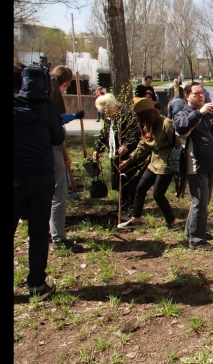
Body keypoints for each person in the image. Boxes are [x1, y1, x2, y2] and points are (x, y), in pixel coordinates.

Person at [14, 61, 66, 301]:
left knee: (36, 232)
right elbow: (57, 137)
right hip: (42, 178)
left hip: (18, 178)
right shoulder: (46, 109)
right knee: (38, 233)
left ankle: (37, 285)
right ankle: (36, 284)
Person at [173, 82, 213, 250]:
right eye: (196, 93)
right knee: (199, 203)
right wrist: (199, 113)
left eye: (202, 93)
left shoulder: (207, 113)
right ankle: (196, 240)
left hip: (210, 164)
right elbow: (181, 128)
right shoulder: (183, 113)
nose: (200, 96)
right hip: (196, 164)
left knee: (202, 202)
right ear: (187, 96)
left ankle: (192, 231)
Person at [117, 97, 180, 231]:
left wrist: (177, 165)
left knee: (158, 194)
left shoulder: (166, 124)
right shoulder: (147, 126)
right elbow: (143, 146)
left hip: (166, 164)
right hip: (153, 162)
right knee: (140, 188)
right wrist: (128, 161)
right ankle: (135, 219)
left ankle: (172, 223)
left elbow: (177, 144)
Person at [48, 65, 85, 252]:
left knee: (48, 193)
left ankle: (48, 231)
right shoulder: (51, 96)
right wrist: (73, 116)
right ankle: (58, 239)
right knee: (59, 195)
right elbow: (57, 120)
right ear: (64, 83)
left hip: (44, 149)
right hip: (52, 149)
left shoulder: (44, 93)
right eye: (66, 85)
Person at [94, 93, 148, 217]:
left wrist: (126, 145)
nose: (106, 115)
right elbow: (103, 135)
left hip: (130, 156)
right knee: (120, 182)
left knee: (131, 182)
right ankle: (123, 206)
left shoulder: (127, 116)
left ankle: (133, 208)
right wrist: (97, 149)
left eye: (107, 112)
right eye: (104, 113)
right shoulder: (109, 119)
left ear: (114, 107)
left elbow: (135, 133)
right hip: (116, 155)